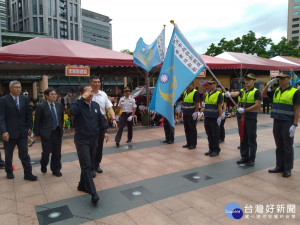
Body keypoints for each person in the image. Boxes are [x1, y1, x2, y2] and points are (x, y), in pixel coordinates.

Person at [70, 85, 108, 203]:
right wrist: (81, 99)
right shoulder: (77, 104)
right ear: (82, 93)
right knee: (86, 165)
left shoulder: (95, 105)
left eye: (91, 91)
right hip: (82, 140)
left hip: (94, 139)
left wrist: (105, 131)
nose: (91, 93)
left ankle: (81, 185)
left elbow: (100, 120)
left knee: (89, 164)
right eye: (88, 91)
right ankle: (93, 192)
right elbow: (73, 112)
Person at [262, 72, 300, 178]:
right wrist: (267, 85)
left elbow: (297, 109)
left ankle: (288, 168)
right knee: (279, 146)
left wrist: (295, 125)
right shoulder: (277, 91)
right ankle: (279, 166)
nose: (281, 80)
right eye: (280, 78)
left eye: (283, 78)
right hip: (277, 121)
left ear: (289, 79)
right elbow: (263, 95)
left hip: (287, 122)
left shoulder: (295, 92)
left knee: (287, 147)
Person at [0, 81, 37, 181]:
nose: (18, 89)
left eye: (19, 87)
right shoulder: (3, 100)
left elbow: (28, 114)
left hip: (22, 132)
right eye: (16, 87)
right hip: (9, 132)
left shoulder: (24, 99)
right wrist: (3, 131)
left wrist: (30, 126)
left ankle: (28, 173)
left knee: (24, 154)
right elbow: (1, 117)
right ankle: (9, 171)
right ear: (10, 89)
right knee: (9, 154)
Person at [225, 73, 262, 166]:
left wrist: (246, 110)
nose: (247, 81)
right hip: (241, 118)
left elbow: (257, 105)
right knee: (242, 137)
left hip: (250, 118)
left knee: (251, 139)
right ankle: (244, 157)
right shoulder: (242, 90)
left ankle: (251, 159)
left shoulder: (256, 92)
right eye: (246, 80)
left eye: (249, 80)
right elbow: (236, 93)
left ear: (254, 81)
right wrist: (229, 93)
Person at [89, 76, 117, 174]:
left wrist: (113, 119)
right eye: (95, 82)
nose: (97, 84)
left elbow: (109, 108)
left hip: (101, 122)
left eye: (98, 82)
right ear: (90, 84)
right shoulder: (87, 94)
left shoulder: (103, 94)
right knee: (92, 145)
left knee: (99, 145)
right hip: (90, 122)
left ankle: (97, 164)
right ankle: (91, 167)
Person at [34, 88, 64, 177]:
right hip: (46, 133)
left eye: (55, 94)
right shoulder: (41, 106)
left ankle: (56, 169)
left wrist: (61, 128)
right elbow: (37, 121)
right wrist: (37, 134)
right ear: (46, 96)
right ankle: (43, 164)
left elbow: (61, 118)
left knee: (57, 153)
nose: (55, 96)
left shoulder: (59, 105)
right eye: (52, 94)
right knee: (46, 153)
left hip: (57, 132)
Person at [203, 79, 223, 157]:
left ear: (215, 84)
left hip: (214, 118)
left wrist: (220, 117)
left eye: (211, 84)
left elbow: (219, 106)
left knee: (215, 135)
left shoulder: (218, 94)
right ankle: (210, 149)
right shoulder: (207, 93)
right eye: (209, 84)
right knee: (209, 134)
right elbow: (206, 105)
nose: (210, 85)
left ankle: (216, 150)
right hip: (207, 117)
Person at [182, 82, 200, 150]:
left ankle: (193, 144)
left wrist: (196, 112)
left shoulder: (195, 92)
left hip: (192, 113)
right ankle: (188, 142)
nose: (187, 85)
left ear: (192, 84)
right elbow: (184, 101)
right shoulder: (185, 92)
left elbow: (197, 103)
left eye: (188, 84)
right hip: (185, 113)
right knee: (186, 128)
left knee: (192, 128)